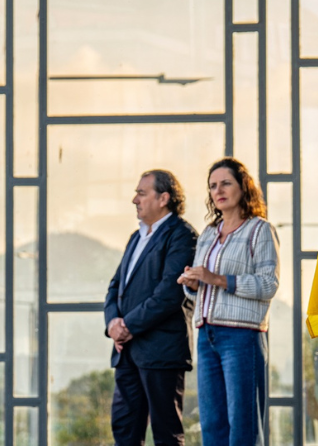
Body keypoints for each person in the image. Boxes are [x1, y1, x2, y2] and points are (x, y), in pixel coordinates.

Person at [176, 157, 279, 446]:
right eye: (212, 186)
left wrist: (220, 279)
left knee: (243, 425)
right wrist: (194, 285)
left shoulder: (260, 230)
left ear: (243, 187)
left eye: (225, 183)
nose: (218, 190)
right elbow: (200, 289)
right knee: (212, 425)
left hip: (242, 336)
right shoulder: (209, 233)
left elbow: (269, 284)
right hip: (206, 334)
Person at [104, 169, 198, 446]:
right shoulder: (136, 236)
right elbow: (115, 287)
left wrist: (127, 326)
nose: (135, 199)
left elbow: (169, 294)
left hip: (161, 352)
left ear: (164, 198)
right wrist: (113, 325)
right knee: (124, 429)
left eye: (142, 193)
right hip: (127, 353)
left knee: (166, 434)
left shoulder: (182, 236)